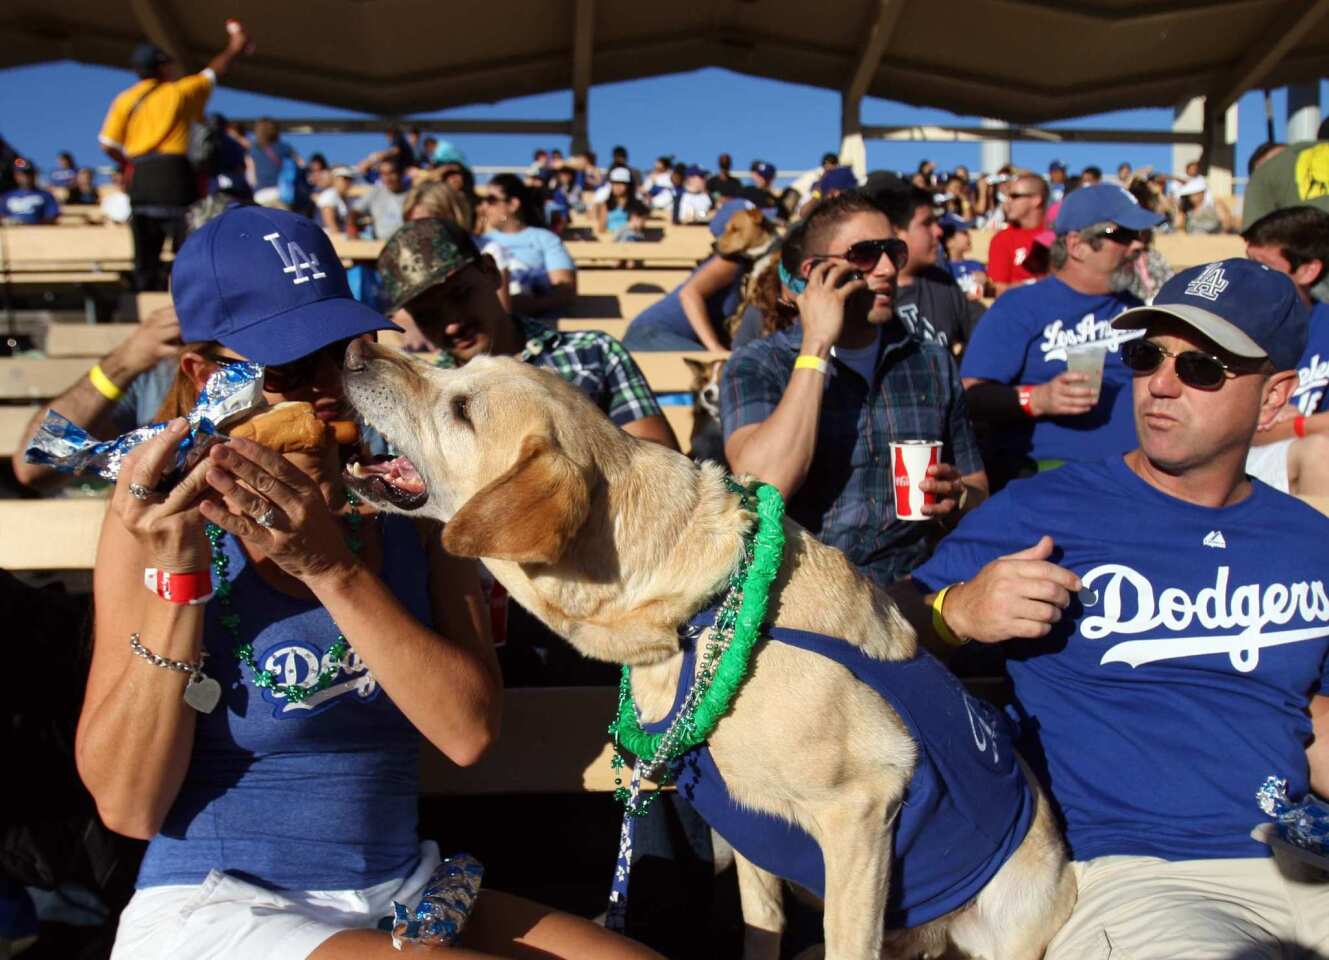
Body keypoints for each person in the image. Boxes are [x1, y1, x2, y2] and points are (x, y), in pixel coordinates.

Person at [78, 206, 662, 960]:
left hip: (400, 895)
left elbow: (467, 733)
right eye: (288, 369)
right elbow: (127, 805)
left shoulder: (405, 506)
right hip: (218, 902)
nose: (328, 390)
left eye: (340, 355)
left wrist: (332, 568)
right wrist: (182, 581)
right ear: (204, 377)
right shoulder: (153, 525)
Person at [907, 259, 1328, 959]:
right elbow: (870, 626)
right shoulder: (1047, 508)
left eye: (1201, 367)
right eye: (1145, 356)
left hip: (1301, 854)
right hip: (1137, 875)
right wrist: (955, 612)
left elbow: (1306, 713)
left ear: (1274, 396)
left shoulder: (1308, 538)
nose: (1160, 384)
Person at [721, 192, 988, 588]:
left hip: (913, 588)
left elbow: (979, 488)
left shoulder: (930, 360)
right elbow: (763, 486)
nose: (885, 269)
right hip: (804, 597)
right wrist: (816, 347)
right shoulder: (759, 364)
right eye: (865, 254)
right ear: (813, 272)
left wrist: (957, 497)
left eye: (894, 252)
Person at [377, 217, 676, 451]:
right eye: (428, 316)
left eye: (461, 295)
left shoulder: (593, 352)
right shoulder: (425, 399)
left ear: (491, 272)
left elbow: (659, 459)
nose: (452, 323)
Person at [960, 184, 1165, 488]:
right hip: (1048, 478)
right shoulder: (1020, 306)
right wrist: (1039, 399)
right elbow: (970, 396)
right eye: (1121, 234)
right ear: (1077, 245)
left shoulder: (1139, 312)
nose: (1137, 245)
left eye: (1140, 235)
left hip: (1137, 480)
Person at [99, 29, 251, 290]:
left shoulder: (124, 100)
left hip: (142, 176)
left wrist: (128, 166)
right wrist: (234, 47)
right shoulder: (179, 92)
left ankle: (146, 300)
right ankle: (189, 304)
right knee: (187, 250)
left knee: (145, 256)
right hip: (174, 174)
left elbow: (108, 144)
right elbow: (214, 72)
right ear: (163, 68)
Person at [1242, 206, 1329, 497]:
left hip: (1299, 464)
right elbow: (1235, 431)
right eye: (1248, 261)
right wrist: (1308, 427)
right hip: (1238, 467)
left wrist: (1297, 424)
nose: (1248, 276)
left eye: (1263, 265)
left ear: (1308, 271)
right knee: (1320, 451)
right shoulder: (1231, 326)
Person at [622, 200, 770, 351]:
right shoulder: (731, 261)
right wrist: (715, 349)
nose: (766, 233)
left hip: (656, 335)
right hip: (651, 335)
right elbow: (688, 294)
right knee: (717, 368)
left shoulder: (753, 266)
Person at [866, 182, 979, 351]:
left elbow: (987, 336)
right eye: (927, 224)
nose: (938, 232)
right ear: (895, 232)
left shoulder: (942, 282)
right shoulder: (866, 296)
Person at [478, 173, 577, 321]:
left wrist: (511, 303)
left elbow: (564, 292)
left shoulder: (546, 239)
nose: (484, 207)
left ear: (513, 204)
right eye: (483, 200)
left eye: (491, 200)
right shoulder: (480, 242)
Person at [986, 173, 1048, 294]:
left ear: (1036, 200)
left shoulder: (1058, 235)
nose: (1007, 202)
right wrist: (1036, 284)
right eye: (1007, 196)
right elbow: (999, 290)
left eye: (1014, 196)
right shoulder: (1002, 239)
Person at [246, 118, 300, 207]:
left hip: (260, 195)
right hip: (281, 192)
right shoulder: (284, 148)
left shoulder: (253, 150)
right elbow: (300, 164)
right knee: (283, 220)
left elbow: (251, 177)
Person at [353, 158, 409, 241]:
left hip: (406, 245)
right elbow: (354, 212)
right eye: (383, 174)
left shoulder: (411, 196)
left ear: (401, 174)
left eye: (391, 173)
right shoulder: (375, 193)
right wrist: (352, 230)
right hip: (379, 246)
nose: (387, 178)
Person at [0, 158, 59, 224]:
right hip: (10, 232)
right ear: (16, 176)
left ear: (34, 175)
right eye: (22, 174)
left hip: (37, 232)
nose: (26, 177)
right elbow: (1, 215)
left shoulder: (46, 196)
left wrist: (29, 223)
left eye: (29, 173)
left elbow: (52, 217)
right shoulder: (6, 197)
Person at [316, 166, 358, 235]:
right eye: (345, 178)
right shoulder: (329, 194)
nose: (348, 182)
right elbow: (330, 224)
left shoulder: (345, 199)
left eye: (350, 179)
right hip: (327, 237)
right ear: (335, 179)